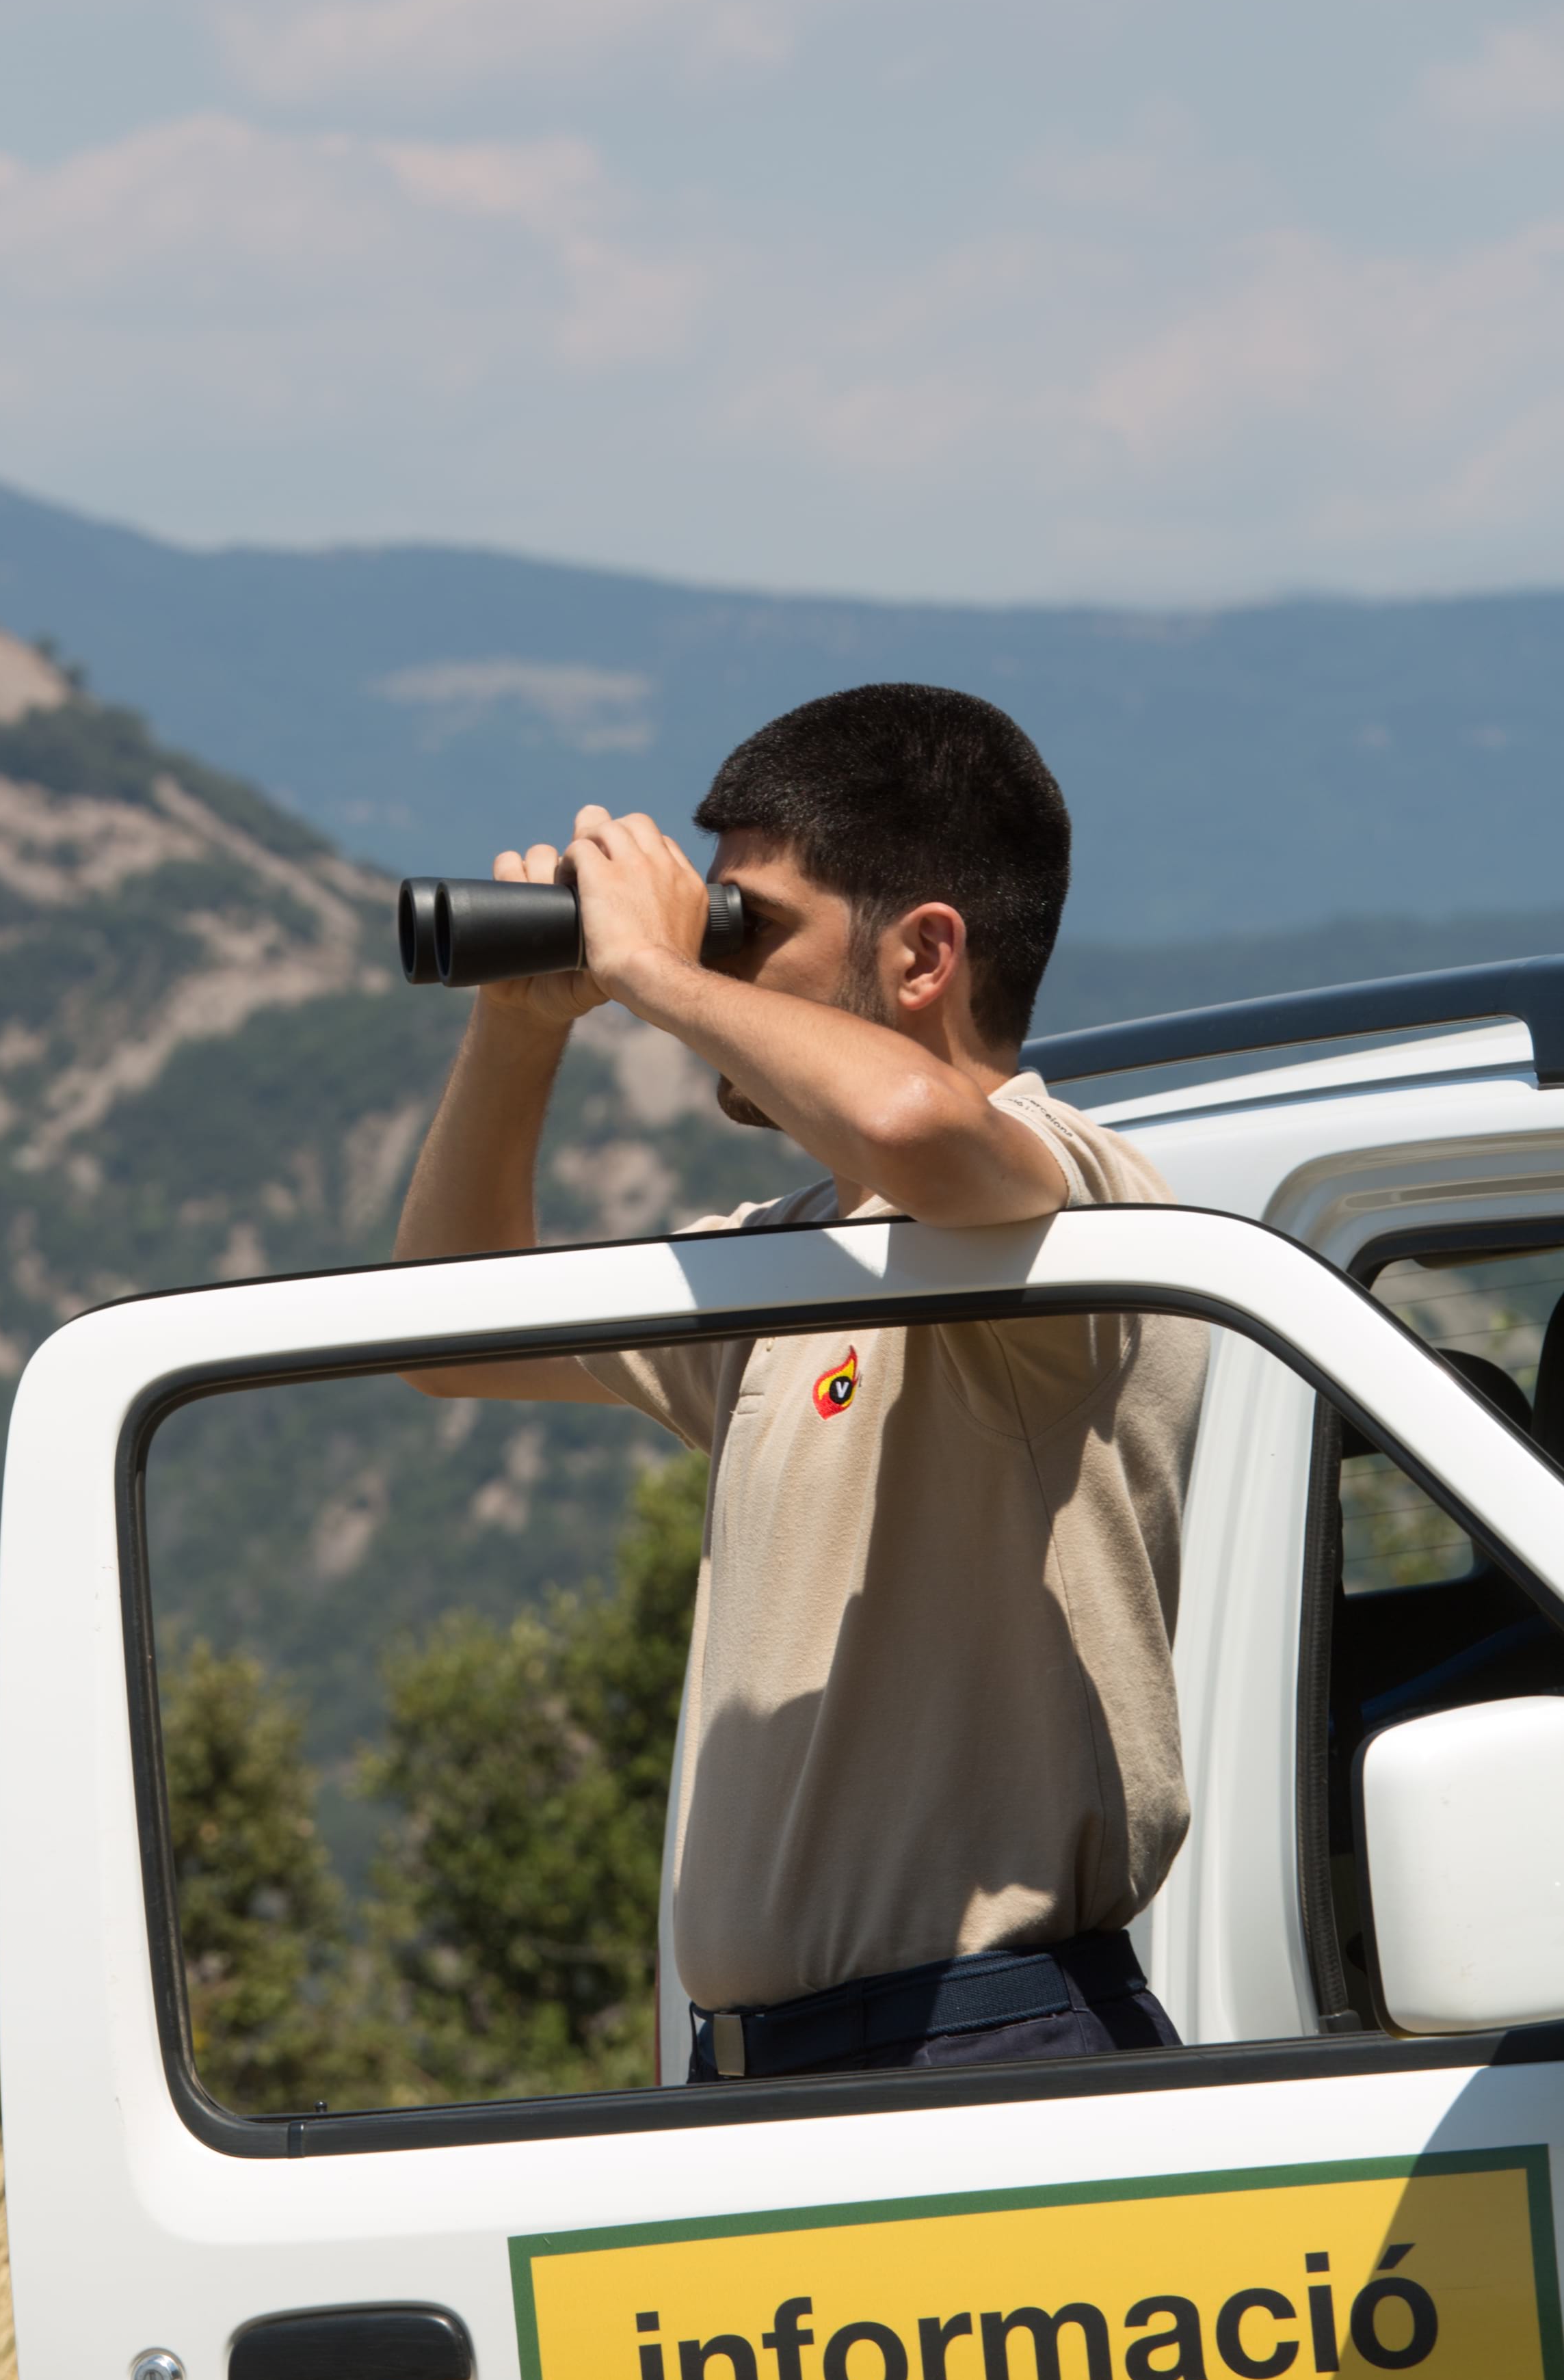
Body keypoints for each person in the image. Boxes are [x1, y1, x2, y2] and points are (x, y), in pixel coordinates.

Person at [393, 682, 1207, 2084]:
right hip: (781, 2062)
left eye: (750, 926)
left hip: (987, 2039)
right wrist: (522, 1029)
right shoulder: (793, 1263)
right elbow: (447, 1334)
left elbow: (918, 1122)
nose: (714, 955)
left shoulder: (1073, 1203)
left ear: (923, 955)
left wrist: (654, 975)